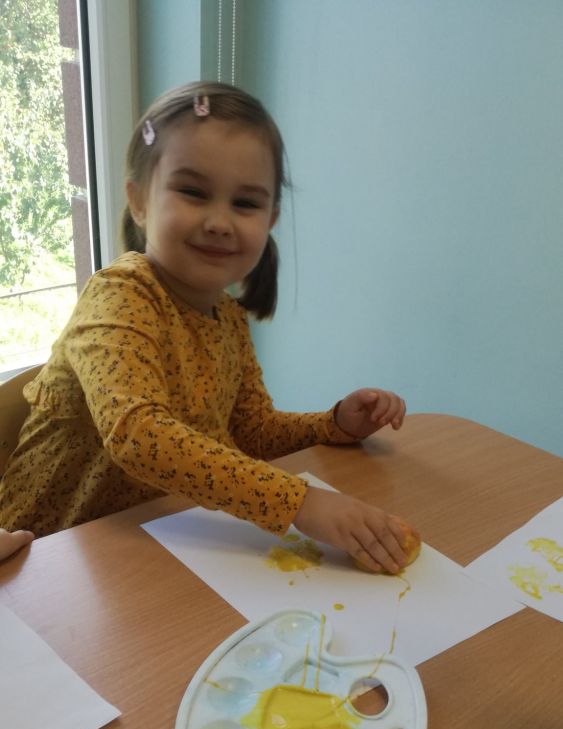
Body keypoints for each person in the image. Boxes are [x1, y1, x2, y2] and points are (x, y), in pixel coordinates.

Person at [0, 81, 414, 574]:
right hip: (46, 558)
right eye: (193, 192)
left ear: (270, 219)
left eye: (245, 203)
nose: (220, 221)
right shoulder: (120, 293)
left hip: (157, 540)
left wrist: (335, 424)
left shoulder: (229, 319)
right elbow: (138, 434)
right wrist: (301, 503)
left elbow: (252, 432)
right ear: (139, 201)